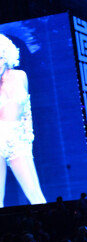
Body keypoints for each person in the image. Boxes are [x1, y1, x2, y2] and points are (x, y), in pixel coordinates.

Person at [0, 34, 46, 207]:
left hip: (18, 141)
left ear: (7, 56)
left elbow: (27, 111)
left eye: (1, 57)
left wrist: (27, 140)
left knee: (35, 195)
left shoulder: (20, 76)